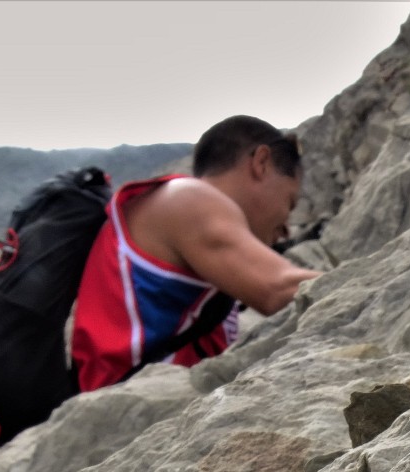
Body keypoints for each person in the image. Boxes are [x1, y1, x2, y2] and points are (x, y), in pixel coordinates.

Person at [71, 115, 322, 392]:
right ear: (261, 162)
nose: (286, 229)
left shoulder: (179, 204)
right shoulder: (189, 198)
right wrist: (370, 279)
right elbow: (277, 288)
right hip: (132, 407)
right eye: (290, 201)